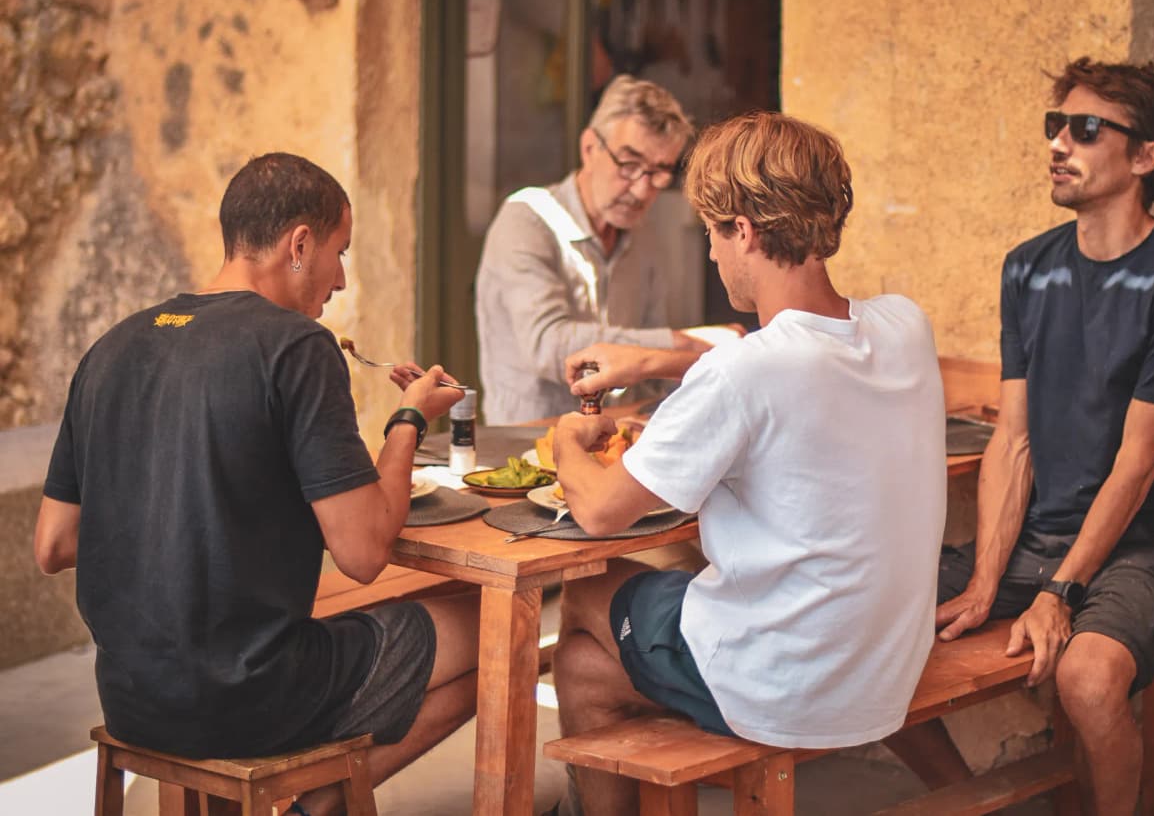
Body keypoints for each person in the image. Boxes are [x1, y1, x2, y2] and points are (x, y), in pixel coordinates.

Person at [33, 153, 480, 816]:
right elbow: (361, 553)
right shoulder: (298, 347)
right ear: (299, 243)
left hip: (131, 695)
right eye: (339, 252)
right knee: (487, 631)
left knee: (321, 625)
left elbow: (54, 543)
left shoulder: (110, 349)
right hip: (250, 695)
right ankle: (317, 806)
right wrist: (408, 419)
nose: (341, 277)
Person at [544, 112, 948, 816]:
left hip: (785, 681)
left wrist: (563, 441)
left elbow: (602, 509)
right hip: (885, 662)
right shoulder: (903, 326)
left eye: (711, 231)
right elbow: (799, 355)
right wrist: (665, 361)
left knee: (584, 598)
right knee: (584, 667)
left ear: (745, 231)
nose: (709, 253)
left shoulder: (742, 375)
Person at [888, 58, 1154, 812]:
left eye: (1085, 129)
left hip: (1144, 547)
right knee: (864, 627)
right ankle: (975, 798)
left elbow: (1138, 465)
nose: (1058, 144)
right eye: (1056, 125)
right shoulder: (1028, 270)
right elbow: (1013, 438)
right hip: (1036, 542)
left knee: (1087, 676)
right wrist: (986, 580)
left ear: (1146, 157)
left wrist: (1059, 590)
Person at [474, 73, 741, 425]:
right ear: (589, 147)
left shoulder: (643, 237)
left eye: (659, 172)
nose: (643, 190)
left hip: (614, 433)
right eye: (630, 165)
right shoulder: (526, 219)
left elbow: (652, 374)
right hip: (528, 442)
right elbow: (548, 346)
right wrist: (686, 342)